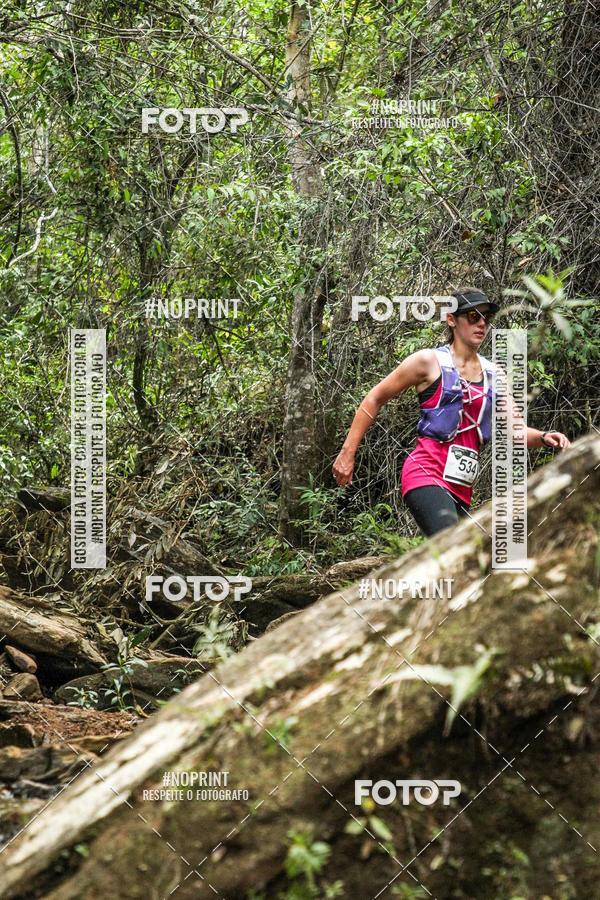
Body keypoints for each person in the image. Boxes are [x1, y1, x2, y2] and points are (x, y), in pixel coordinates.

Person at [332, 287, 571, 537]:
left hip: (461, 488)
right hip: (425, 473)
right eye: (472, 316)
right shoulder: (429, 361)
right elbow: (374, 398)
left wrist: (545, 437)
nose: (481, 324)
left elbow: (516, 431)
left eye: (486, 318)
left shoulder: (495, 375)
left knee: (468, 564)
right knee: (450, 548)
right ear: (451, 319)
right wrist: (348, 453)